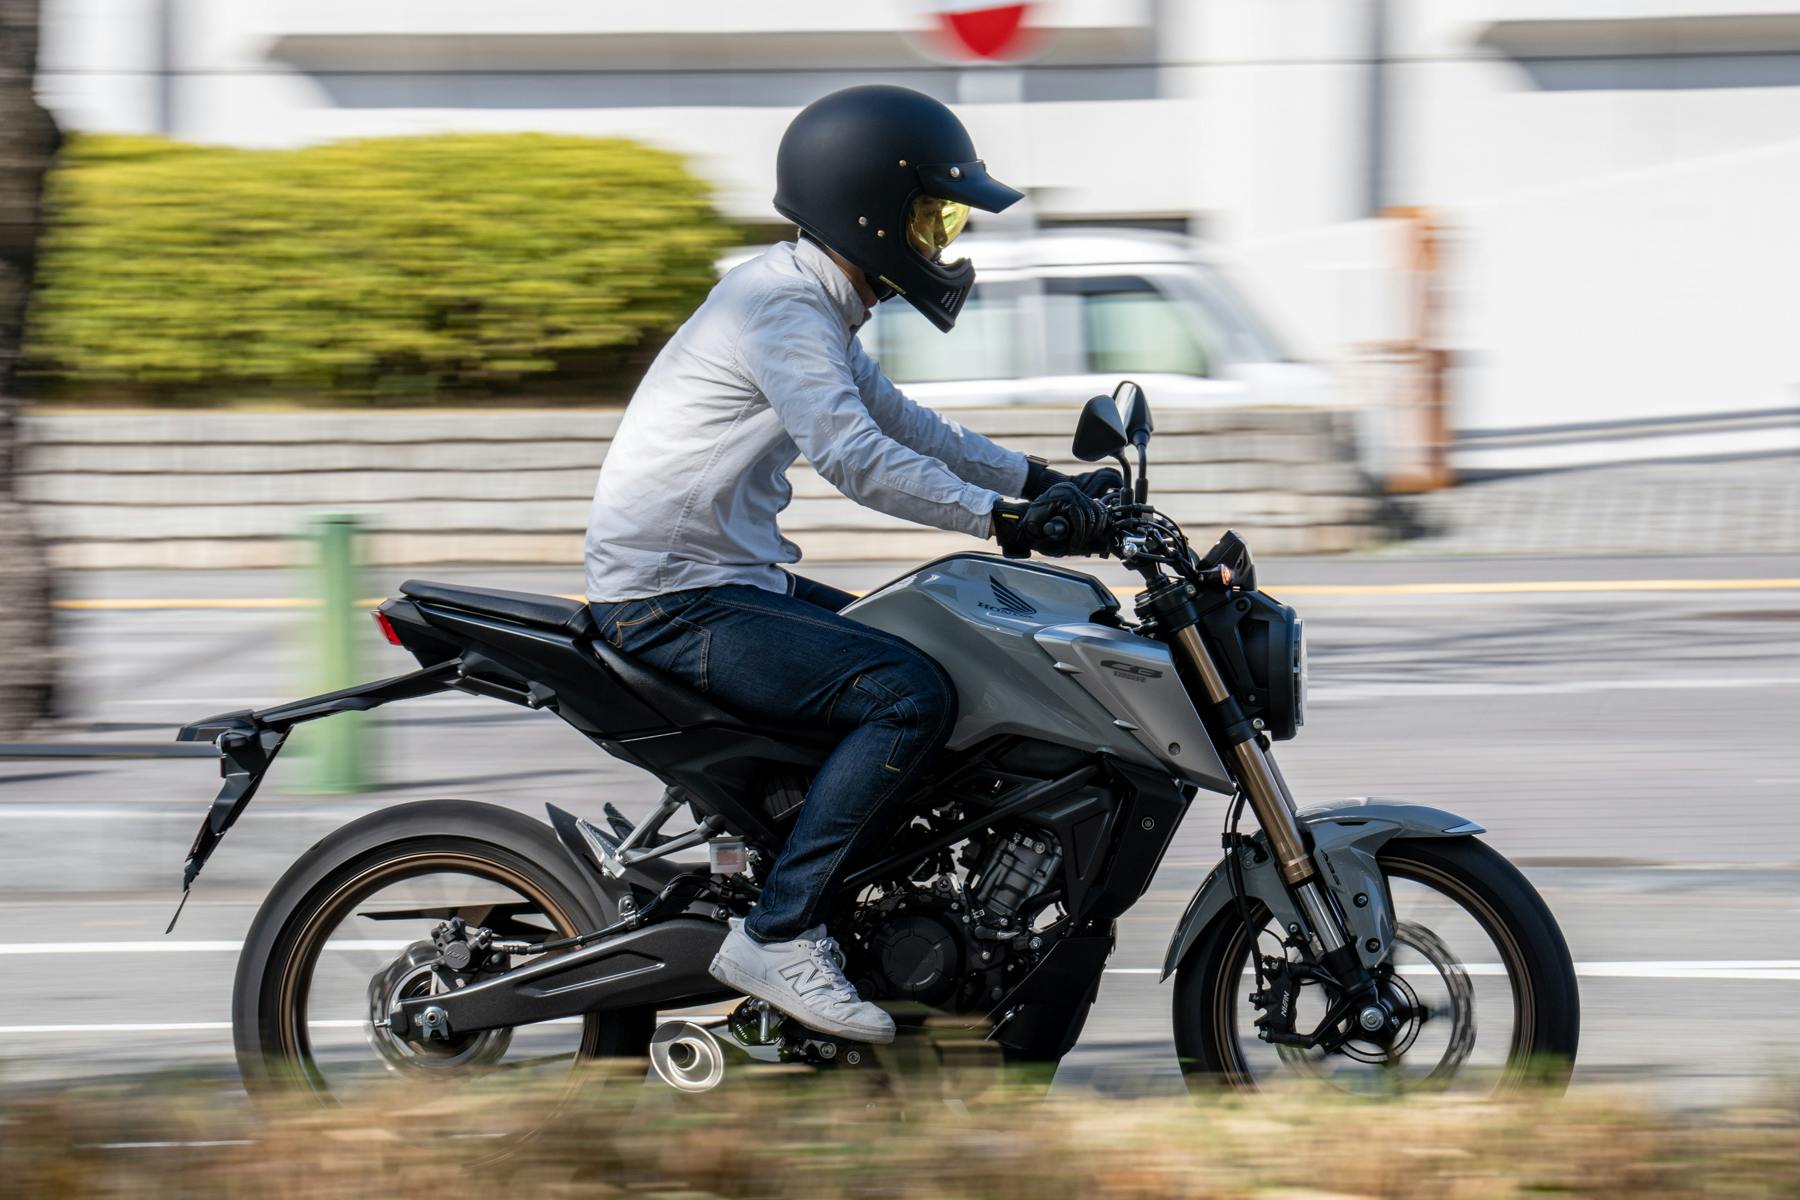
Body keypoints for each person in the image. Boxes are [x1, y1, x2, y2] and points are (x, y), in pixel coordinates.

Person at [584, 85, 1114, 1044]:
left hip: (722, 579)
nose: (940, 240)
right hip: (675, 599)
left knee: (943, 651)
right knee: (907, 696)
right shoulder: (781, 305)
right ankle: (782, 932)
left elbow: (906, 424)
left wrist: (1039, 480)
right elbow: (855, 456)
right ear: (868, 207)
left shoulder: (808, 298)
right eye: (931, 216)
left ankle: (847, 891)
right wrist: (1005, 520)